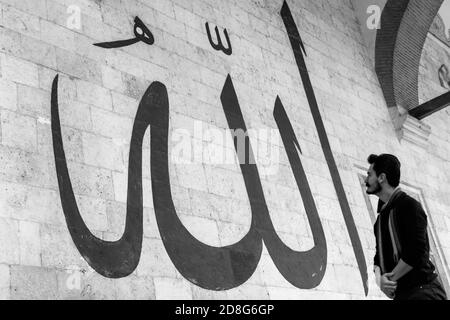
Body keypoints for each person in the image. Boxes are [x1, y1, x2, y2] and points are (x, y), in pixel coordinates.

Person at [365, 154, 447, 300]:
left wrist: (388, 281)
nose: (366, 180)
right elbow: (379, 258)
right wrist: (380, 280)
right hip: (403, 294)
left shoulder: (409, 206)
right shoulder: (380, 220)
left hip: (423, 291)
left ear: (381, 177)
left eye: (369, 174)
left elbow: (417, 252)